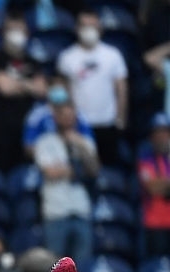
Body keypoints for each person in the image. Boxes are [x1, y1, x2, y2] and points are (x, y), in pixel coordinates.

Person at [56, 9, 129, 168]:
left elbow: (121, 88)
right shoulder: (67, 57)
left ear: (100, 28)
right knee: (81, 168)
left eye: (92, 25)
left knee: (109, 169)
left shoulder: (113, 55)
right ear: (76, 29)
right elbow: (64, 91)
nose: (88, 30)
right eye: (84, 25)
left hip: (107, 123)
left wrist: (121, 118)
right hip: (80, 124)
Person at [34, 96, 99, 265]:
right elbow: (50, 173)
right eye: (64, 115)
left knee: (82, 267)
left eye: (71, 115)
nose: (68, 119)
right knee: (56, 269)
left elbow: (94, 170)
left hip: (80, 209)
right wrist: (78, 170)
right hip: (56, 211)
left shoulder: (85, 142)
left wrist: (81, 147)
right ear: (56, 118)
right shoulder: (45, 143)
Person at [0, 12, 48, 174]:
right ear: (4, 33)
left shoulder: (33, 62)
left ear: (27, 33)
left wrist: (16, 84)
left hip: (28, 129)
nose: (16, 35)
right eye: (12, 30)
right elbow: (4, 88)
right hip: (1, 129)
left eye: (20, 30)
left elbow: (41, 90)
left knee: (27, 173)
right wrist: (28, 85)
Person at [138, 112, 170, 258]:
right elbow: (152, 187)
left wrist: (163, 183)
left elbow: (159, 185)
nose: (161, 137)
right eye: (157, 133)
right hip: (155, 224)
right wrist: (161, 185)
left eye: (164, 132)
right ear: (151, 137)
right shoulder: (146, 159)